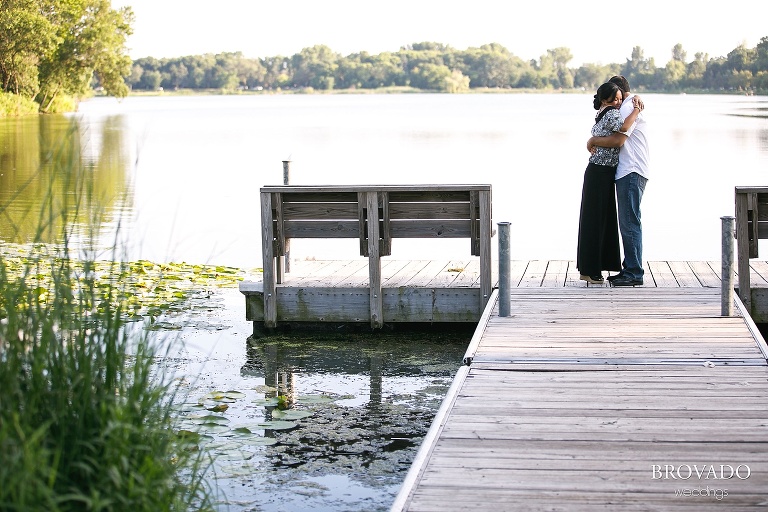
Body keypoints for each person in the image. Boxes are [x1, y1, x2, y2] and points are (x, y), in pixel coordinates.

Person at [587, 75, 650, 287]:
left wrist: (593, 140)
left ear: (620, 95)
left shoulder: (626, 108)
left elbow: (618, 139)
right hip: (631, 170)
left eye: (617, 97)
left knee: (630, 222)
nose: (615, 101)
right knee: (629, 221)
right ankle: (630, 268)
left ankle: (634, 272)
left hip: (631, 171)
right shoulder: (630, 105)